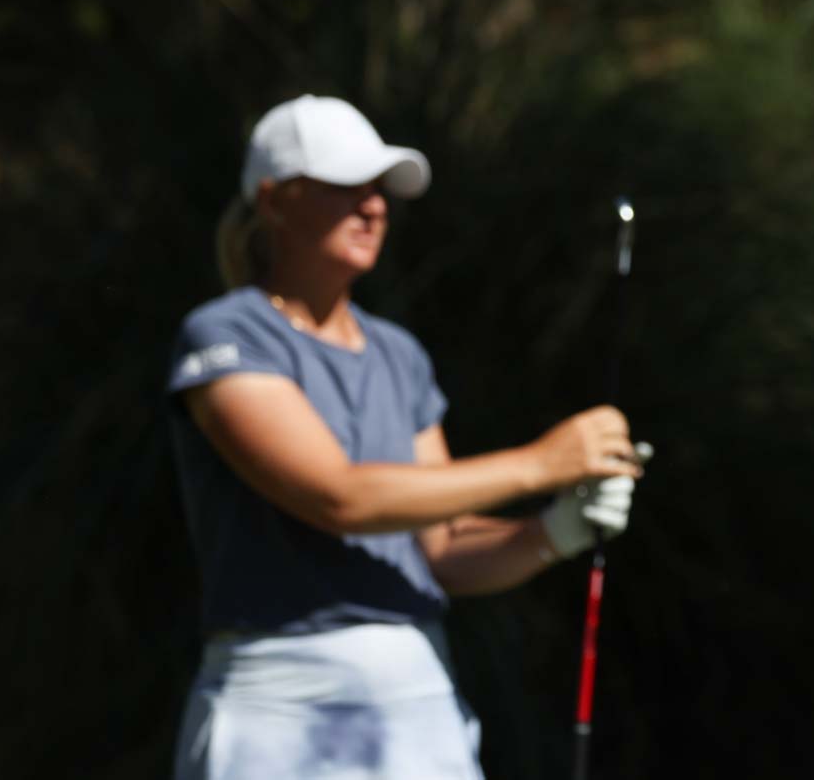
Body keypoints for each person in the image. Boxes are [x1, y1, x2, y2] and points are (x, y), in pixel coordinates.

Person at [165, 94, 645, 779]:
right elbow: (338, 497)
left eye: (380, 188)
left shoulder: (399, 353)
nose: (374, 205)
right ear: (273, 201)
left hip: (418, 703)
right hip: (279, 709)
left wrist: (557, 529)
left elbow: (443, 548)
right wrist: (542, 462)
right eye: (345, 186)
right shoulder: (226, 335)